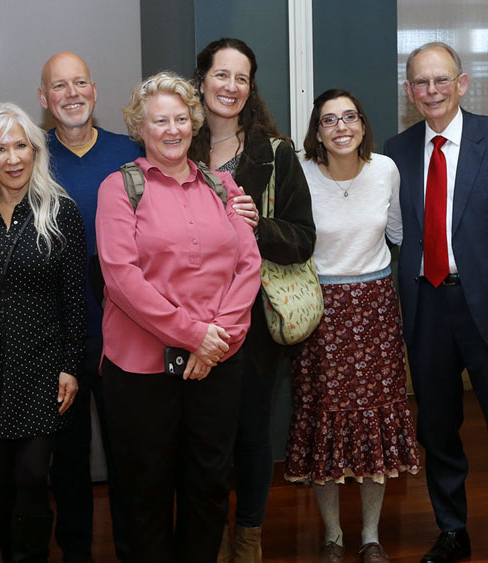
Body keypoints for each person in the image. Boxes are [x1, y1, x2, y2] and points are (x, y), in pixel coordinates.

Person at [95, 71, 261, 563]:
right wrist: (194, 335)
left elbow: (248, 266)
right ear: (140, 128)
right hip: (142, 371)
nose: (172, 129)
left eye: (181, 118)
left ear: (194, 122)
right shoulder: (119, 187)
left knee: (209, 486)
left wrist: (220, 339)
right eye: (159, 120)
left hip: (217, 364)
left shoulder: (222, 184)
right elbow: (122, 279)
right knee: (145, 493)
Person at [188, 38, 316, 562]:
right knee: (203, 440)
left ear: (250, 87)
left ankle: (249, 536)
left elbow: (304, 237)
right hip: (192, 321)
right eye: (221, 75)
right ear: (201, 81)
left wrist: (257, 226)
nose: (230, 87)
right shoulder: (176, 145)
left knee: (251, 437)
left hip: (256, 322)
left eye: (241, 78)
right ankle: (211, 532)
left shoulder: (276, 153)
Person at [285, 89, 420, 563]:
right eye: (329, 120)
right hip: (320, 310)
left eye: (350, 117)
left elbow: (399, 234)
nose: (341, 127)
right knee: (325, 418)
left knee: (375, 419)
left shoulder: (385, 170)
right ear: (317, 133)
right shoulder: (298, 174)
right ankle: (332, 537)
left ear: (363, 125)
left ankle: (369, 536)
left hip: (375, 308)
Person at [0, 102, 87, 563]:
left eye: (21, 146)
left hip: (42, 367)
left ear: (36, 151)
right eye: (1, 149)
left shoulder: (61, 214)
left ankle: (30, 555)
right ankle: (12, 552)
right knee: (4, 480)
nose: (13, 158)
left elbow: (76, 300)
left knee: (34, 475)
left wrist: (70, 367)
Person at [383, 41, 488, 563]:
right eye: (421, 83)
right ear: (409, 92)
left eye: (441, 80)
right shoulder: (395, 153)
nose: (431, 91)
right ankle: (453, 531)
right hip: (428, 309)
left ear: (462, 83)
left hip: (484, 303)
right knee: (438, 427)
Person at [37, 51, 142, 563]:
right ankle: (75, 552)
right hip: (59, 340)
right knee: (68, 463)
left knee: (129, 458)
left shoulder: (131, 153)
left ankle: (130, 549)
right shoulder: (31, 158)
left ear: (95, 91)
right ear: (44, 98)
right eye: (60, 86)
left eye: (80, 83)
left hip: (129, 334)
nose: (71, 94)